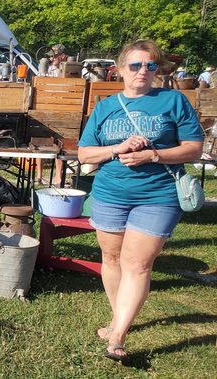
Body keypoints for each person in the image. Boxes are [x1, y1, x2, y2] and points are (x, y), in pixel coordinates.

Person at [77, 39, 203, 362]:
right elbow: (84, 153)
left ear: (157, 70)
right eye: (135, 65)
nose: (143, 71)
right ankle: (119, 317)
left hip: (158, 195)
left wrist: (154, 154)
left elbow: (193, 148)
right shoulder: (105, 107)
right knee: (112, 258)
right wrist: (117, 148)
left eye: (150, 65)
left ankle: (118, 334)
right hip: (110, 193)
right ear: (120, 70)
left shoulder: (173, 101)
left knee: (138, 263)